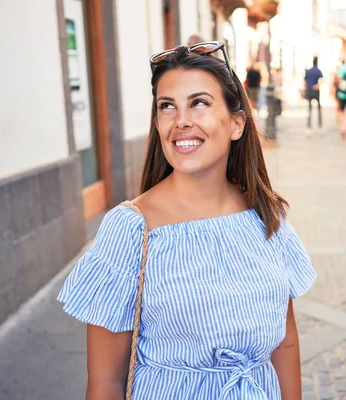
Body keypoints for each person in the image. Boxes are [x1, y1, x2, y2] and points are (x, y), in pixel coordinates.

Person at [57, 42, 316, 400]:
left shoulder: (266, 215)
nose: (181, 121)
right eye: (167, 107)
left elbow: (284, 344)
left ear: (237, 123)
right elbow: (105, 381)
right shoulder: (132, 228)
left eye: (199, 103)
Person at [304, 56, 323, 134]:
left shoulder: (308, 71)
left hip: (309, 90)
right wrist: (317, 86)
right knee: (318, 109)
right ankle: (319, 126)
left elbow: (304, 81)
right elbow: (321, 80)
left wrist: (305, 89)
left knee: (309, 109)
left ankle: (309, 127)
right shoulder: (318, 71)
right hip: (315, 91)